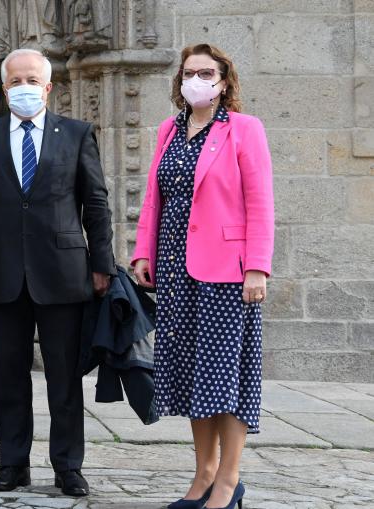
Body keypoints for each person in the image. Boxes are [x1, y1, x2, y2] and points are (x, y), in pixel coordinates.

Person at [0, 48, 114, 498]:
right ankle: (12, 462)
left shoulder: (77, 134)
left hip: (64, 272)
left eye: (32, 80)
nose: (24, 88)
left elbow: (96, 202)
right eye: (15, 81)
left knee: (63, 377)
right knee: (9, 375)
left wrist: (102, 263)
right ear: (4, 89)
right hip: (1, 272)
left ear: (48, 88)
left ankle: (67, 465)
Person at [131, 43, 274, 509]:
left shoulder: (244, 130)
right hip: (175, 270)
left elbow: (260, 202)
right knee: (194, 374)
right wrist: (142, 252)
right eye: (189, 72)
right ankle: (204, 474)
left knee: (226, 375)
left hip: (228, 274)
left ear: (224, 80)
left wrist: (257, 266)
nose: (197, 79)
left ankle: (229, 481)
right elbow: (154, 198)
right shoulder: (167, 131)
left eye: (206, 72)